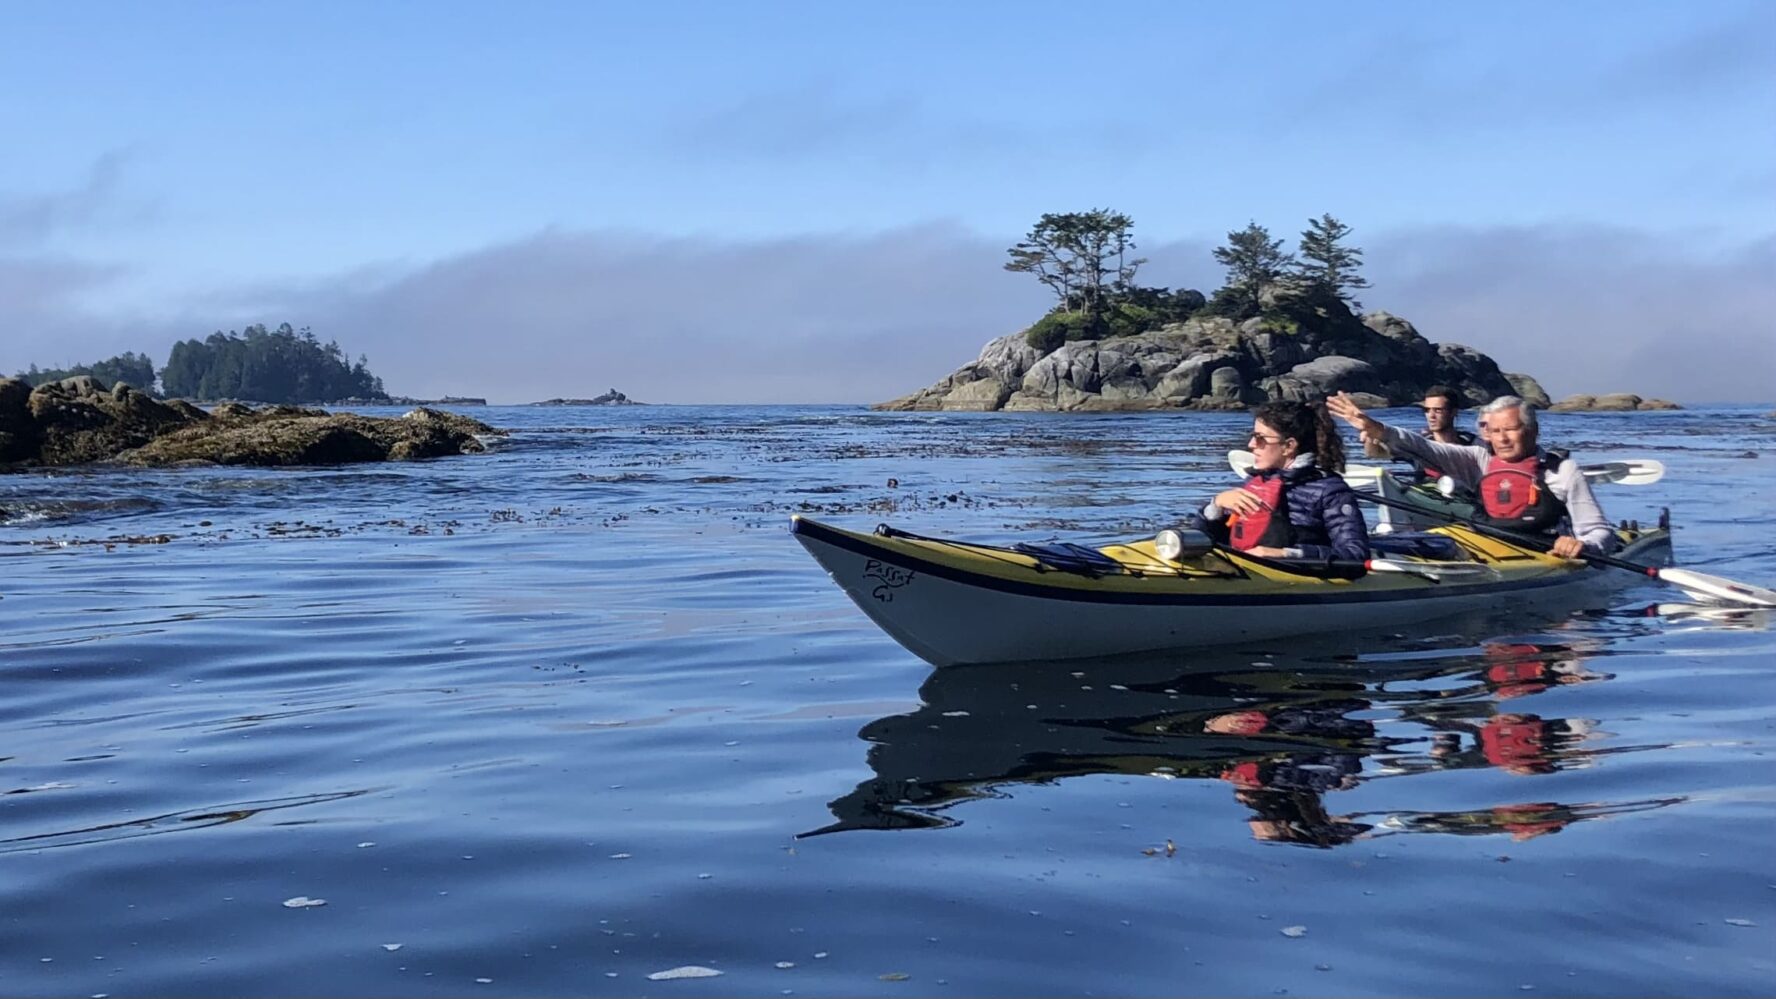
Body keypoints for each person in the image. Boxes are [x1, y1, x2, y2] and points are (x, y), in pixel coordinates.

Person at [1327, 392, 1616, 557]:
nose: (1502, 439)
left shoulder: (1561, 470)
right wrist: (1379, 429)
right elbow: (1423, 447)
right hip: (1486, 548)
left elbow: (1600, 533)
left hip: (1544, 553)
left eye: (1511, 430)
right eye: (1496, 431)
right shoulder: (1478, 460)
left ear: (1533, 431)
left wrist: (1583, 545)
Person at [1191, 400, 1370, 563]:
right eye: (1253, 436)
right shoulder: (1256, 481)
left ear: (1288, 446)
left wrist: (1287, 554)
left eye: (1261, 438)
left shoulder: (1330, 491)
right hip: (1246, 569)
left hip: (1295, 577)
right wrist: (1216, 506)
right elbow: (1208, 540)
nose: (1251, 444)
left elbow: (1355, 554)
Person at [1406, 386, 1477, 484]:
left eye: (1438, 410)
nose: (1431, 416)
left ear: (1453, 412)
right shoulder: (1419, 445)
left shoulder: (1473, 443)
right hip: (1427, 494)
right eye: (1427, 410)